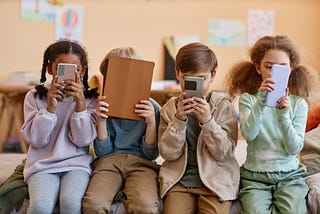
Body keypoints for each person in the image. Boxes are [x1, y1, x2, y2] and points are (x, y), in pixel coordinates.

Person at [225, 35, 318, 213]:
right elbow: (248, 134)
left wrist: (284, 116)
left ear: (291, 69)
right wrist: (261, 101)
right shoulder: (248, 99)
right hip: (255, 177)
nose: (273, 72)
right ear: (258, 68)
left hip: (289, 177)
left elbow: (294, 148)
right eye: (268, 66)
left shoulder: (298, 104)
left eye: (282, 67)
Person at [158, 42, 240, 214]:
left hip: (215, 183)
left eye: (202, 79)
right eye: (188, 79)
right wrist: (179, 119)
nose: (196, 85)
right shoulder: (169, 108)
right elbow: (168, 153)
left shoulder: (223, 106)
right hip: (179, 182)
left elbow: (225, 153)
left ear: (213, 74)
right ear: (177, 73)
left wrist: (208, 121)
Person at [21, 39, 99, 214]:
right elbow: (37, 140)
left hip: (76, 165)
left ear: (83, 70)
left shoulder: (91, 100)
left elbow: (83, 140)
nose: (68, 75)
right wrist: (50, 107)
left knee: (71, 204)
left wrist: (80, 105)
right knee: (40, 207)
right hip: (43, 165)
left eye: (75, 69)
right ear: (50, 69)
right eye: (61, 69)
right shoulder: (34, 97)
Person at [82, 47, 161, 214]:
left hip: (142, 164)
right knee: (93, 205)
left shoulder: (152, 107)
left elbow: (151, 154)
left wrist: (151, 122)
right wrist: (101, 121)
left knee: (145, 206)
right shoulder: (101, 106)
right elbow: (102, 152)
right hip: (109, 161)